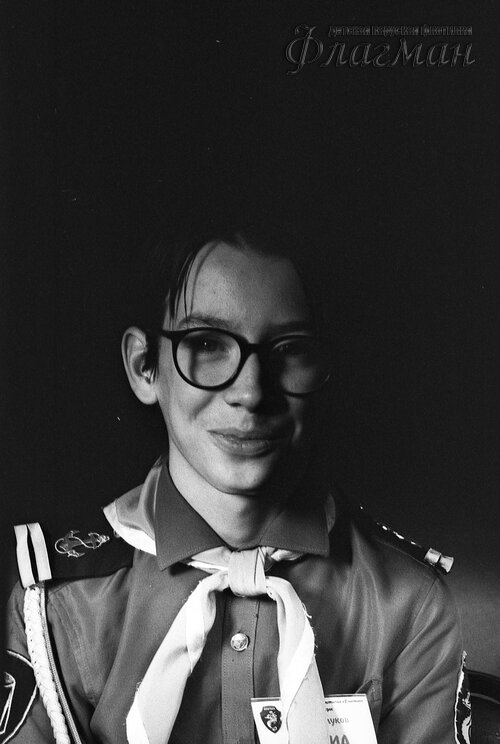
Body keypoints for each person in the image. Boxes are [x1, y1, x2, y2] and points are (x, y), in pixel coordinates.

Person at [4, 214, 470, 744]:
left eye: (289, 349)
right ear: (143, 366)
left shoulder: (408, 603)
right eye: (207, 344)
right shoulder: (59, 601)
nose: (251, 392)